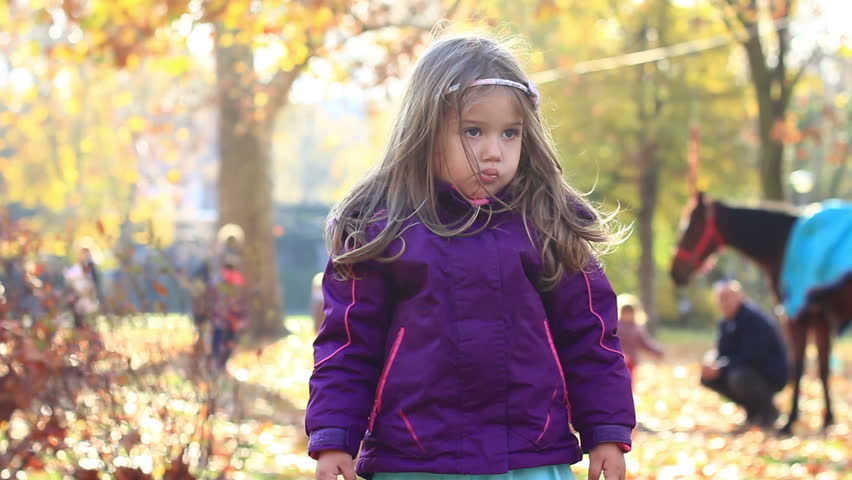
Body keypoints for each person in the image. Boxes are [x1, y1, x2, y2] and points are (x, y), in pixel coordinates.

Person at [305, 34, 635, 480]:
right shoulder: (382, 229)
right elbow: (348, 345)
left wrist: (606, 431)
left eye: (510, 133)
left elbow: (590, 336)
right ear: (425, 129)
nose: (493, 151)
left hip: (530, 454)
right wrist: (333, 435)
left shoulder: (547, 222)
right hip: (416, 457)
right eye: (473, 131)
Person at [700, 280, 788, 430]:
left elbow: (753, 356)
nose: (724, 302)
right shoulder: (726, 322)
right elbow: (721, 351)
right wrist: (711, 360)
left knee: (738, 377)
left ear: (740, 296)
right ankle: (753, 411)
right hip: (746, 371)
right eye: (721, 298)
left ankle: (768, 411)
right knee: (708, 377)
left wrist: (722, 367)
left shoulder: (753, 319)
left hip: (770, 374)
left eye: (728, 297)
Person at [616, 294, 664, 389]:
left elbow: (645, 343)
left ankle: (628, 397)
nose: (628, 315)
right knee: (617, 381)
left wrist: (657, 351)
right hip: (618, 360)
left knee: (629, 382)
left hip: (632, 361)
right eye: (625, 312)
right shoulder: (616, 327)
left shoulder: (638, 329)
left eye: (630, 312)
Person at [210, 254, 248, 370]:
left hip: (228, 318)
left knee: (225, 340)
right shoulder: (223, 282)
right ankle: (218, 363)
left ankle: (220, 363)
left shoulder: (232, 281)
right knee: (223, 340)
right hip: (226, 318)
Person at [64, 247, 101, 328]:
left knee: (91, 319)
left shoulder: (93, 269)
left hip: (91, 299)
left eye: (87, 255)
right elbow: (69, 285)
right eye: (83, 255)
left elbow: (96, 285)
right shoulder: (74, 269)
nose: (85, 257)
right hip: (77, 299)